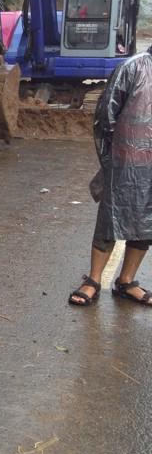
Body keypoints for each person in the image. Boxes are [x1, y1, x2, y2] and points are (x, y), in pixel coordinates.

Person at [68, 43, 152, 308]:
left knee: (146, 222)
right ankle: (93, 280)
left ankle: (126, 281)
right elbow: (106, 115)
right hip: (126, 161)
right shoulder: (133, 67)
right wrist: (112, 159)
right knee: (110, 218)